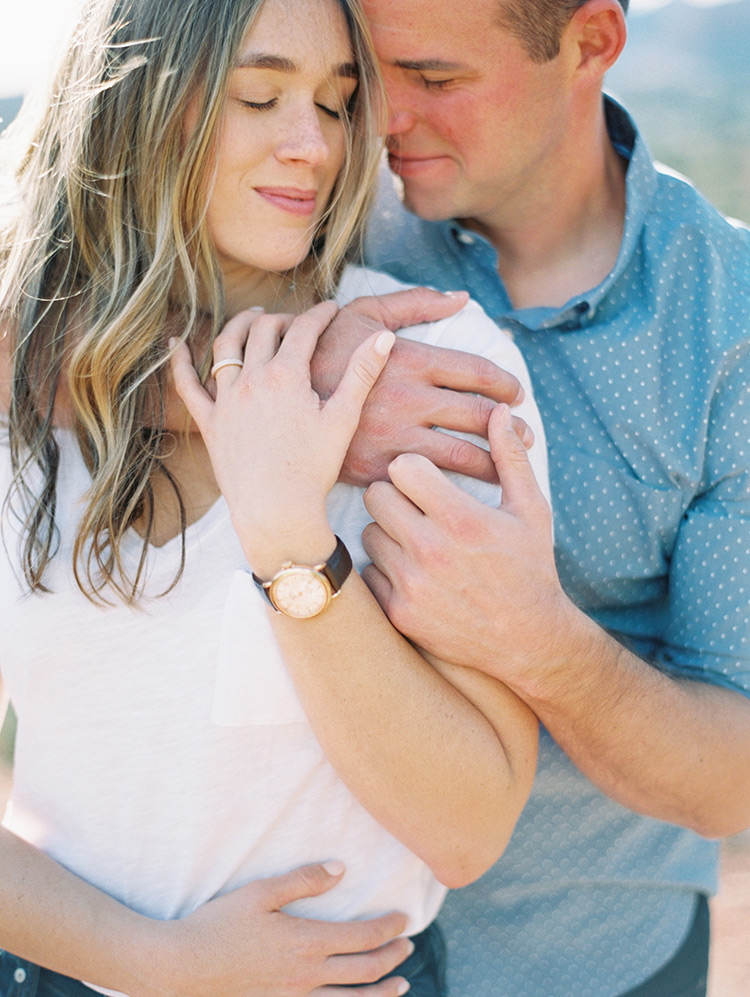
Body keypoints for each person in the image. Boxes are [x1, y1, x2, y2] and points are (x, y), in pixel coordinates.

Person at [0, 0, 551, 994]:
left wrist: (289, 536)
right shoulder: (20, 386)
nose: (314, 147)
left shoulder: (430, 367)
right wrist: (156, 962)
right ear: (138, 101)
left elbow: (469, 827)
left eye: (338, 104)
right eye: (260, 95)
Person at [310, 0, 750, 994]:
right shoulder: (314, 204)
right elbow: (42, 333)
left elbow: (733, 776)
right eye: (367, 79)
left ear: (590, 43)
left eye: (436, 79)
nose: (381, 121)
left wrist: (539, 641)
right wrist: (302, 377)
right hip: (316, 950)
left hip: (593, 958)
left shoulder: (731, 323)